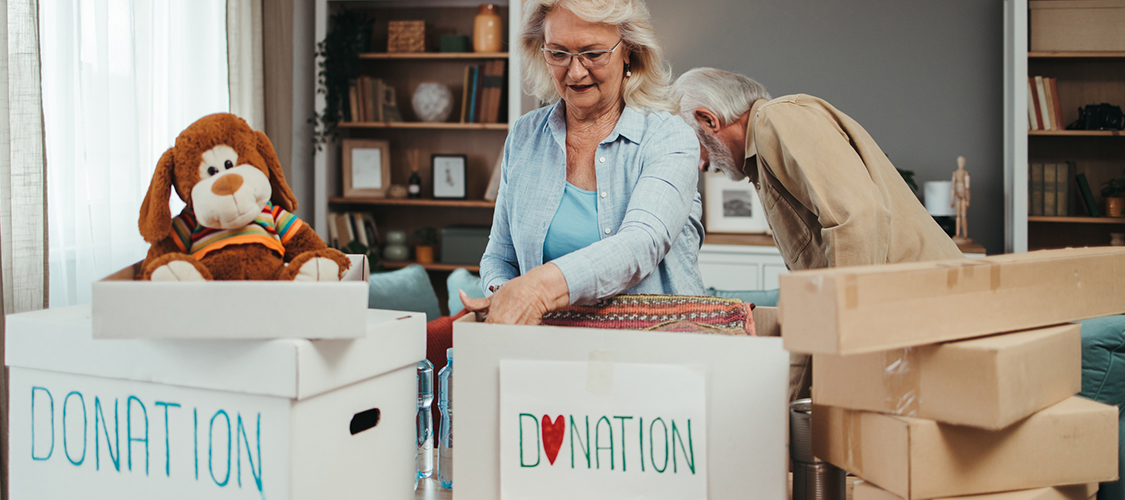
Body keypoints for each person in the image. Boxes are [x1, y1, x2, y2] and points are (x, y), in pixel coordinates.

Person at [461, 0, 704, 325]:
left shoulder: (668, 138)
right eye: (558, 53)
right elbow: (500, 255)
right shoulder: (524, 135)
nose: (575, 71)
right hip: (545, 348)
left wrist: (536, 291)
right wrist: (504, 294)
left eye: (593, 54)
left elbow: (640, 243)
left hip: (652, 348)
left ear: (627, 49)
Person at [671, 68, 962, 271]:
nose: (701, 165)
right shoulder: (761, 158)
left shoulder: (776, 118)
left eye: (692, 143)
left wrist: (844, 325)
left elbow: (858, 215)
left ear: (709, 119)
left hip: (922, 302)